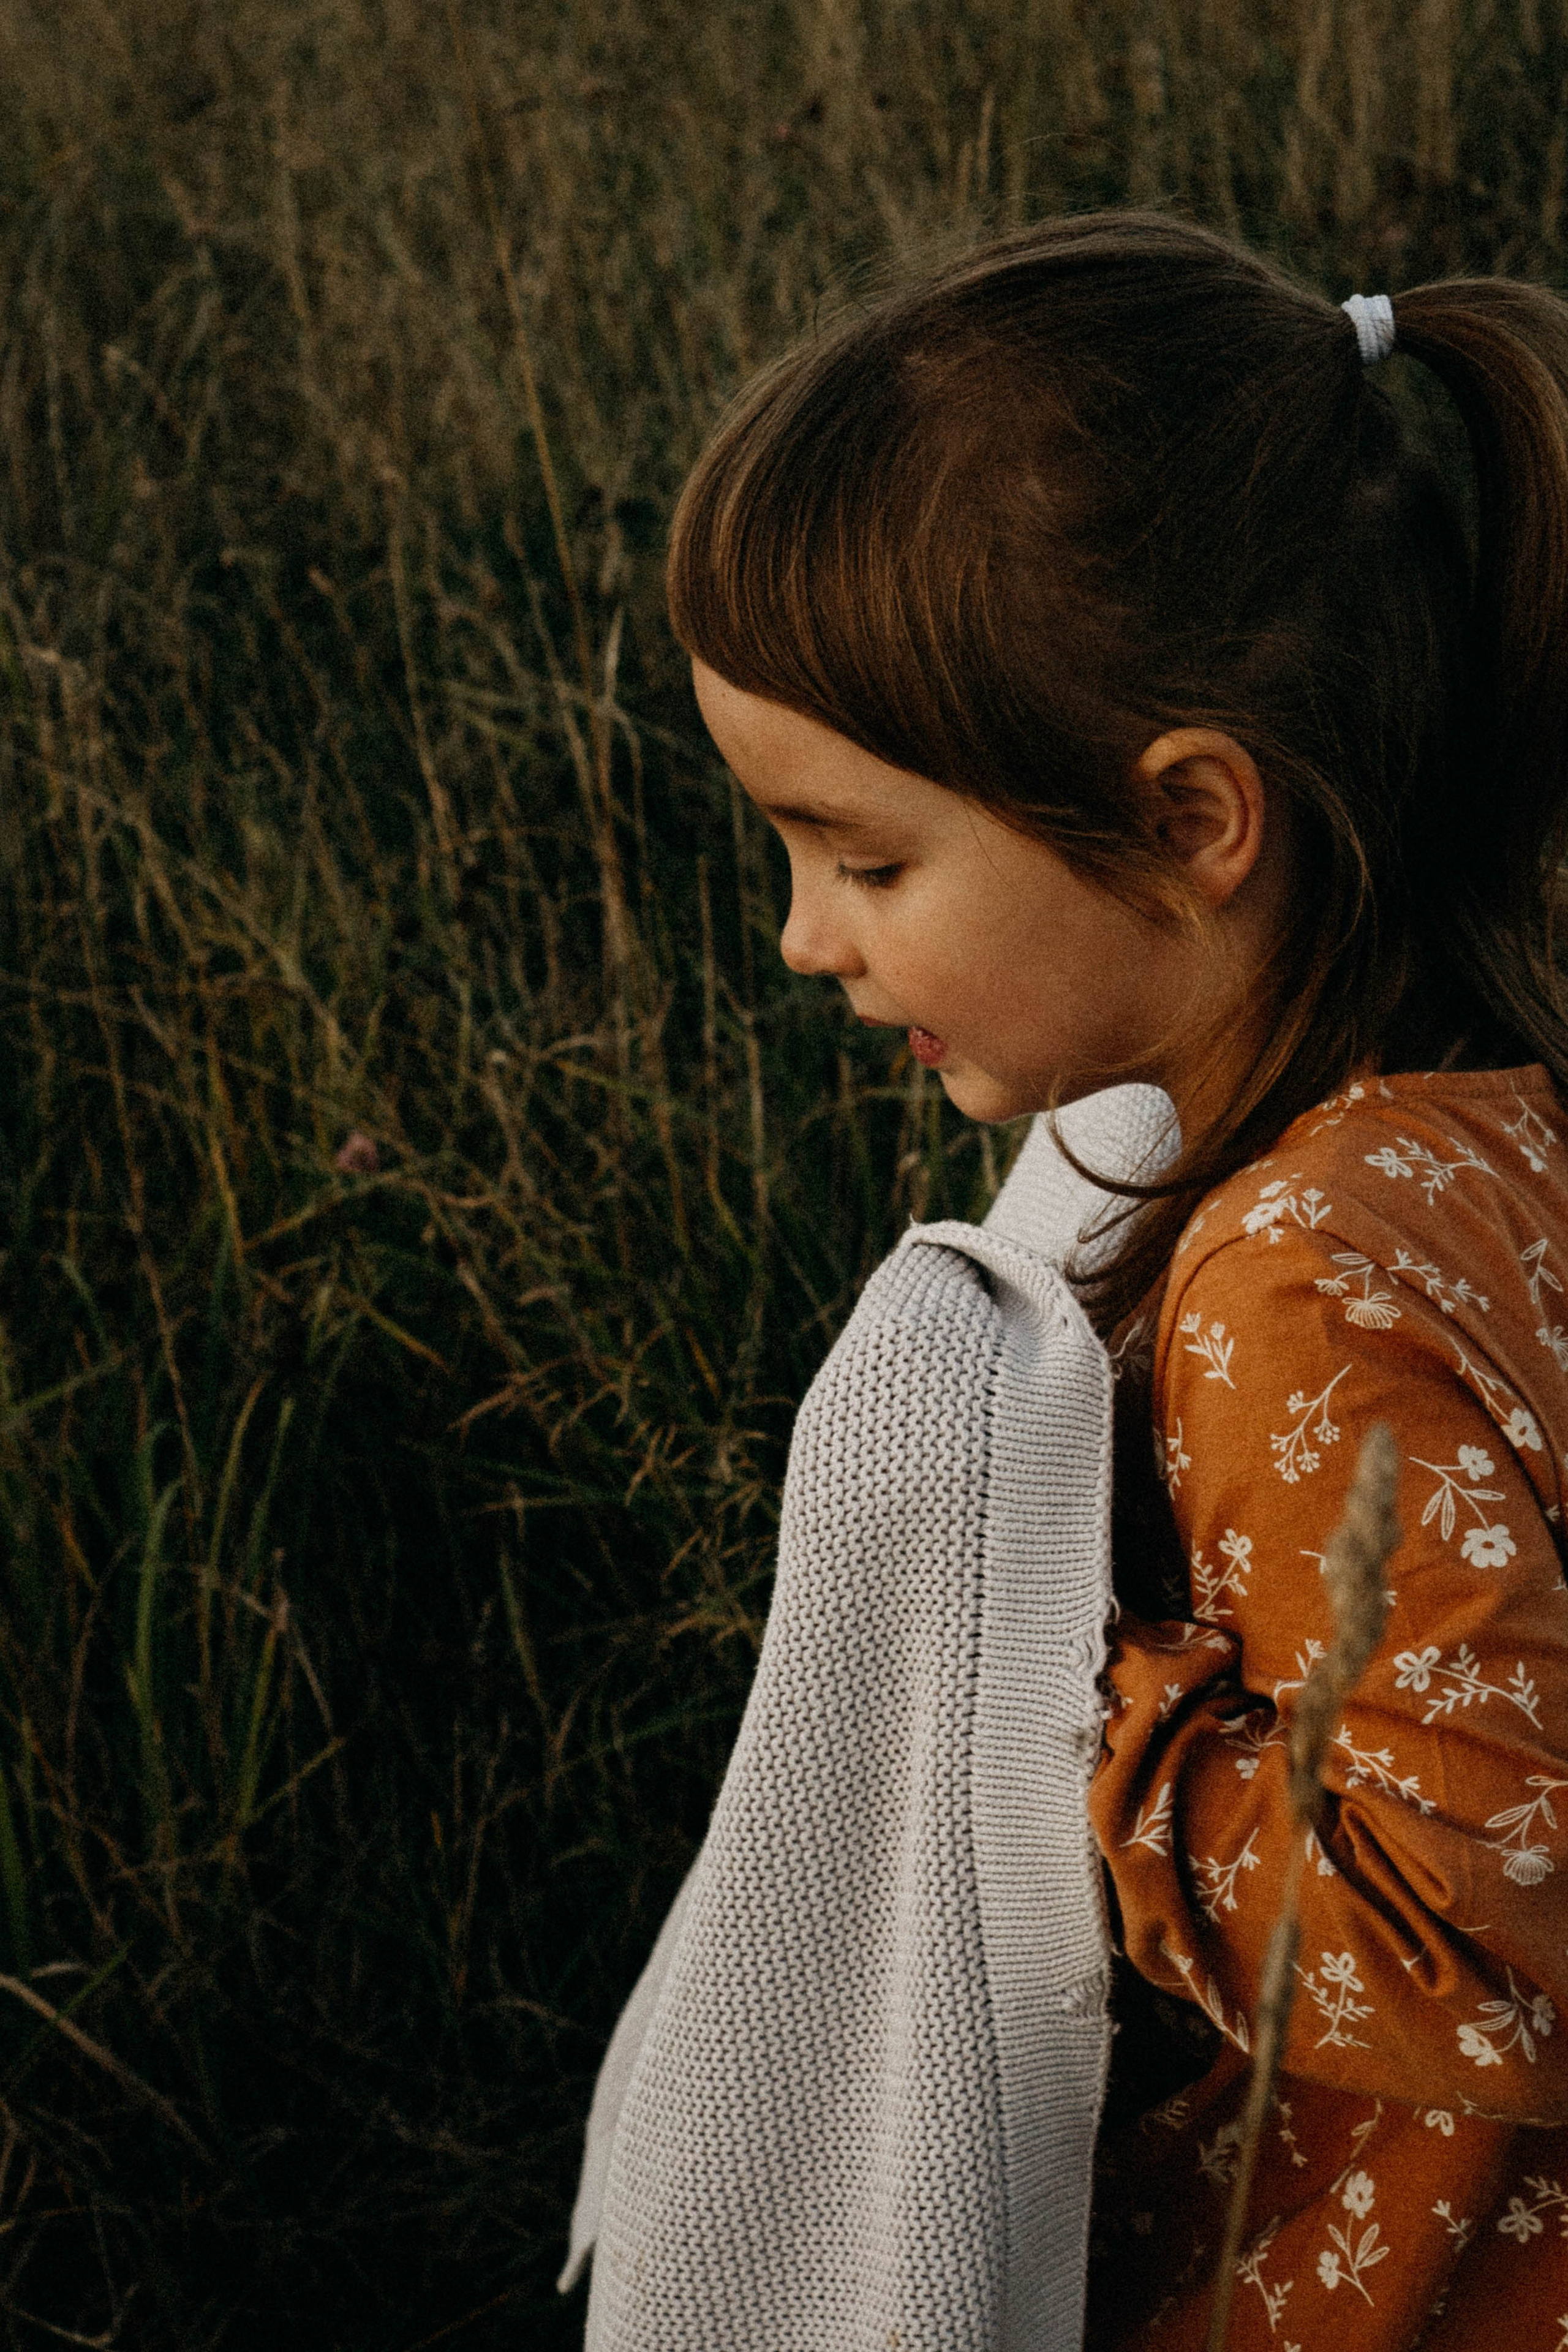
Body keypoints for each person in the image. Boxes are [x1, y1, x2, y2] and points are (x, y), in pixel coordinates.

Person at [660, 214, 1568, 2346]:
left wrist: (1068, 1703)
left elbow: (1477, 1926)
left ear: (1191, 817)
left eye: (868, 857)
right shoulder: (1500, 1133)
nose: (808, 936)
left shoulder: (1291, 1279)